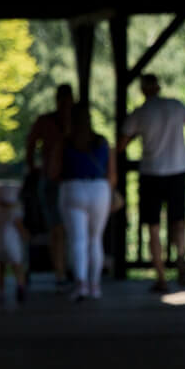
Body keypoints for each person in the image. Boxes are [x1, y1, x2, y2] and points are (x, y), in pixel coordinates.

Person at [120, 74, 185, 292]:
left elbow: (121, 144)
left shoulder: (140, 113)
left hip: (151, 172)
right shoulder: (176, 106)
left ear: (143, 90)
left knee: (153, 227)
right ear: (158, 87)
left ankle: (161, 278)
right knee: (179, 221)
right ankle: (181, 256)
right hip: (177, 169)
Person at [59, 100, 118, 301]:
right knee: (95, 239)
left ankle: (81, 283)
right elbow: (112, 175)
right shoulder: (102, 142)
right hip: (99, 190)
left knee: (78, 240)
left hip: (73, 188)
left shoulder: (66, 142)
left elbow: (53, 170)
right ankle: (95, 285)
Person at [25, 84, 78, 290]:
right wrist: (34, 168)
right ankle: (61, 271)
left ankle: (67, 270)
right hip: (54, 180)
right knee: (57, 228)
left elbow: (30, 145)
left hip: (69, 180)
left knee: (66, 229)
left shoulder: (75, 122)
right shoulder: (46, 121)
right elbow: (30, 145)